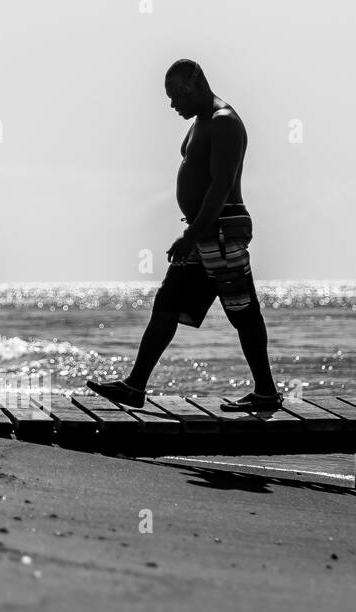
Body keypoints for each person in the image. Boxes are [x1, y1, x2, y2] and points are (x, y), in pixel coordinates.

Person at [87, 59, 279, 412]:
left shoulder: (224, 123)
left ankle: (266, 392)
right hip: (201, 230)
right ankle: (135, 386)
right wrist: (192, 233)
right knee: (168, 303)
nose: (172, 104)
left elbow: (221, 185)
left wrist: (192, 234)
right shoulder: (200, 122)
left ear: (194, 86)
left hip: (219, 228)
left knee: (243, 311)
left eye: (176, 95)